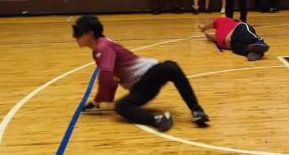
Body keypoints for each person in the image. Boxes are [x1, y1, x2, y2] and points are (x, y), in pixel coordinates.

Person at [72, 14, 209, 131]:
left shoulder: (103, 47)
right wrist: (100, 101)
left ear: (89, 33)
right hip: (141, 88)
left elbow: (107, 78)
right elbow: (111, 80)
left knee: (170, 67)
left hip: (149, 74)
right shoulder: (99, 49)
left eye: (78, 33)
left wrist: (97, 100)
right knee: (121, 106)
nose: (75, 37)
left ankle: (196, 110)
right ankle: (160, 119)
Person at [197, 17, 269, 61]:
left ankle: (259, 42)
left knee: (246, 35)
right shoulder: (218, 33)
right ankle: (255, 52)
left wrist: (203, 28)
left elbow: (210, 24)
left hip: (238, 29)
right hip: (232, 43)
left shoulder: (223, 20)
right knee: (237, 49)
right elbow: (213, 37)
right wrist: (207, 34)